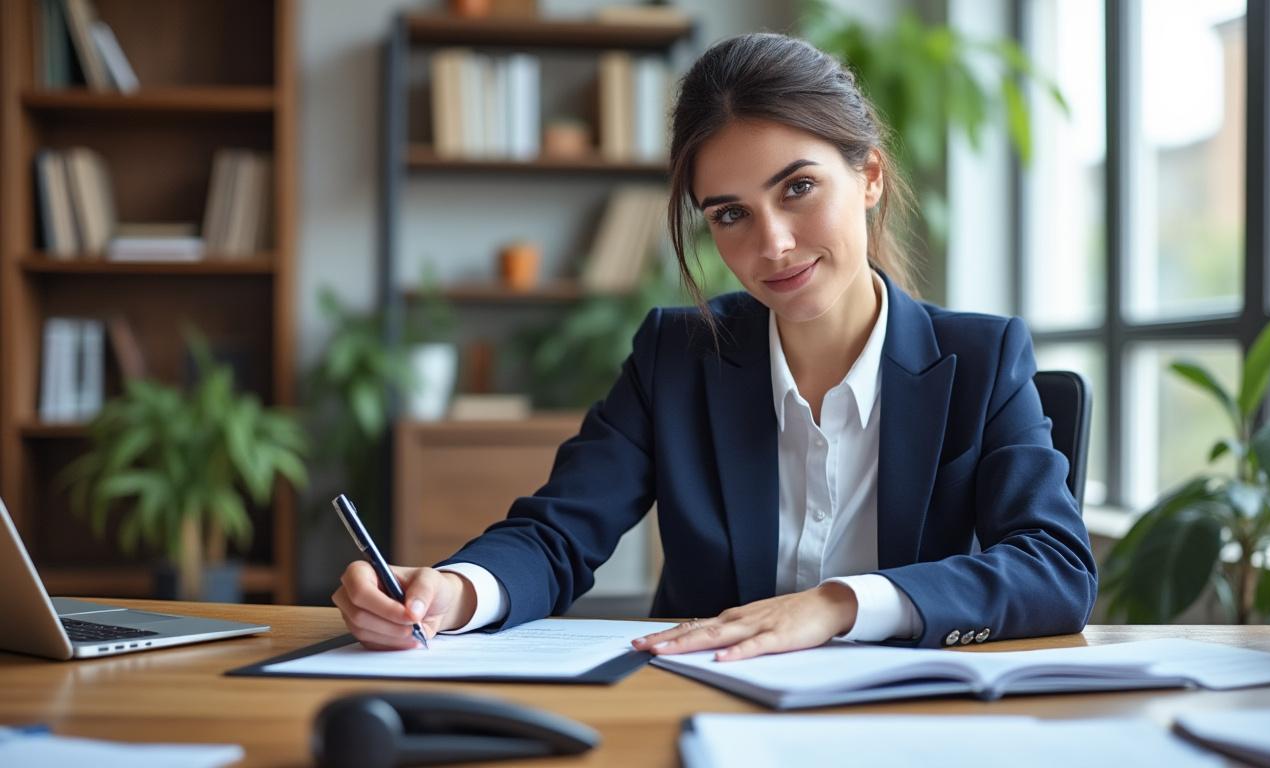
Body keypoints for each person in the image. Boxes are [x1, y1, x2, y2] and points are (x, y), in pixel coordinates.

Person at [332, 32, 1096, 658]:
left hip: (911, 727)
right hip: (704, 708)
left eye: (798, 188)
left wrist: (837, 605)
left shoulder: (982, 360)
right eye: (730, 215)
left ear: (868, 176)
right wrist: (454, 593)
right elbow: (558, 533)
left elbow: (1055, 569)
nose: (775, 244)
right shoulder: (677, 356)